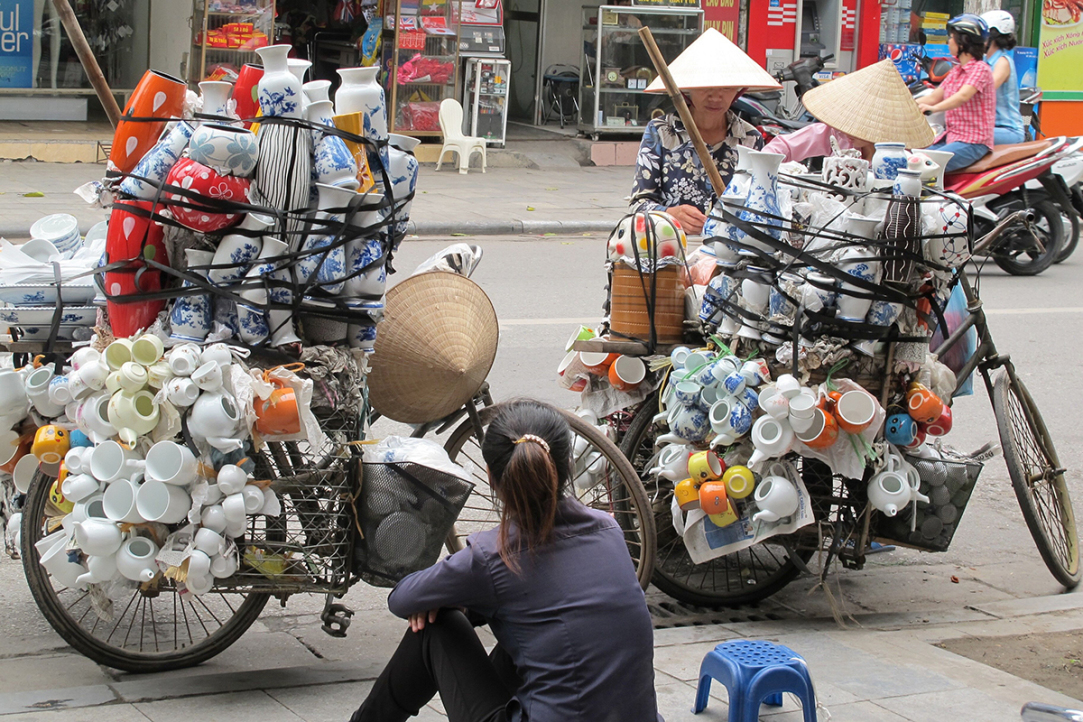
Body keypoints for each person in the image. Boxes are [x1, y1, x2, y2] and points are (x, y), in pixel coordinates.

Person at [348, 400, 660, 722]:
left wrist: (450, 602)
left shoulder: (495, 558)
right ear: (566, 463)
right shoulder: (609, 530)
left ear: (492, 479)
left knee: (437, 624)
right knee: (528, 628)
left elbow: (402, 598)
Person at [630, 28, 782, 234]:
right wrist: (669, 214)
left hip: (729, 250)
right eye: (705, 87)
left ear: (739, 91)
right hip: (674, 245)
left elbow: (760, 202)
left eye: (727, 88)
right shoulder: (661, 131)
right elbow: (638, 205)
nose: (716, 97)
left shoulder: (749, 137)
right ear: (687, 89)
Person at [764, 58, 935, 163]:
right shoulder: (838, 133)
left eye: (861, 125)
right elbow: (784, 145)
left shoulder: (898, 155)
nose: (850, 131)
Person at [916, 14, 996, 172]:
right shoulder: (956, 71)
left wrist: (934, 109)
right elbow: (933, 96)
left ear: (964, 41)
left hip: (973, 143)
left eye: (952, 37)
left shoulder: (981, 69)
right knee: (912, 158)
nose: (949, 41)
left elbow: (963, 96)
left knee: (923, 167)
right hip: (952, 138)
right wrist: (900, 106)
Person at [982, 10, 1026, 145]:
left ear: (992, 36)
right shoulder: (983, 60)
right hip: (989, 128)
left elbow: (985, 89)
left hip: (1008, 131)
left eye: (981, 35)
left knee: (964, 134)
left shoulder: (1003, 62)